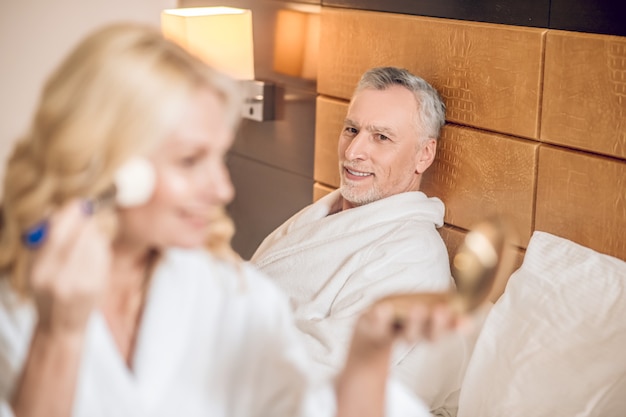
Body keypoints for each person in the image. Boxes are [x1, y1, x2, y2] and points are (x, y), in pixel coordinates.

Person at [0, 23, 465, 417]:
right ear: (116, 166)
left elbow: (311, 400)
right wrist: (58, 333)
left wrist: (365, 352)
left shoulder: (225, 292)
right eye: (189, 160)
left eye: (382, 136)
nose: (223, 190)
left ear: (425, 153)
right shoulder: (22, 300)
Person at [251, 67, 476, 415]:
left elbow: (327, 371)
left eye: (381, 137)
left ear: (424, 155)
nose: (353, 151)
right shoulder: (326, 212)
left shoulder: (412, 254)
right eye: (352, 129)